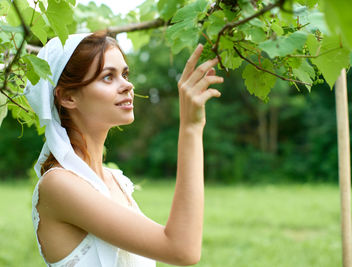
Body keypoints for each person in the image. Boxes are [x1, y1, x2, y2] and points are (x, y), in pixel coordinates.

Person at [25, 31, 223, 267]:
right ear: (68, 97)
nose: (127, 85)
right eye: (108, 77)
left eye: (125, 74)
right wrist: (190, 128)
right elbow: (182, 249)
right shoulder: (58, 184)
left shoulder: (115, 180)